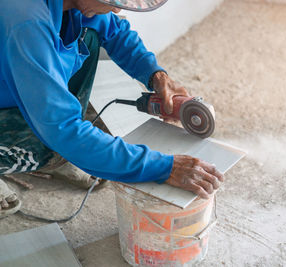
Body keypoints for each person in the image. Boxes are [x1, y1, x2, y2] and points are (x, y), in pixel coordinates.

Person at [0, 0, 223, 217]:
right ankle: (43, 155)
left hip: (19, 74)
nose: (117, 8)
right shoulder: (26, 20)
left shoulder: (72, 4)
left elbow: (115, 31)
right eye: (114, 1)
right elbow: (65, 131)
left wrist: (156, 75)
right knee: (54, 140)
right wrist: (164, 167)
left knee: (88, 36)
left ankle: (62, 151)